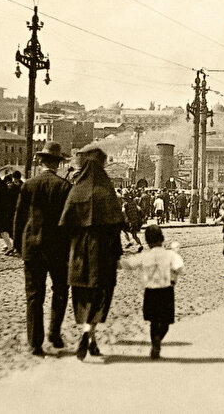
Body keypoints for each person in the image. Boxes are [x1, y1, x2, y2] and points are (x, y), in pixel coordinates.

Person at [58, 143, 124, 360]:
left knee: (83, 295)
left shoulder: (77, 190)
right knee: (100, 294)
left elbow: (65, 225)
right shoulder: (107, 191)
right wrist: (117, 252)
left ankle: (90, 337)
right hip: (103, 253)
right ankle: (90, 333)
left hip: (79, 253)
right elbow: (117, 226)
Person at [13, 142, 72, 357]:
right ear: (58, 163)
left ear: (41, 161)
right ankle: (54, 333)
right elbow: (69, 221)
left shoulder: (29, 185)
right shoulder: (64, 187)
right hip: (57, 249)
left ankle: (34, 342)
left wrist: (19, 247)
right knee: (61, 291)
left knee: (34, 295)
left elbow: (19, 218)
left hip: (32, 247)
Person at [119, 224, 184, 359]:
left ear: (147, 241)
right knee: (165, 322)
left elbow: (127, 264)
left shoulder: (144, 256)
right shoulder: (170, 254)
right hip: (166, 291)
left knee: (153, 322)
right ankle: (158, 340)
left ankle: (155, 342)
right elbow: (180, 269)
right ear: (162, 238)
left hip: (150, 292)